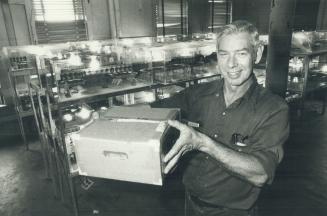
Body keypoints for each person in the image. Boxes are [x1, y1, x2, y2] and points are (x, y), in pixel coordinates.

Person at [151, 20, 289, 216]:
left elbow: (261, 174)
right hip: (190, 204)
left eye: (241, 53)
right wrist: (104, 114)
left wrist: (202, 143)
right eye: (224, 54)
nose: (231, 64)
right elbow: (151, 110)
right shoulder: (197, 94)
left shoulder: (273, 109)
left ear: (257, 54)